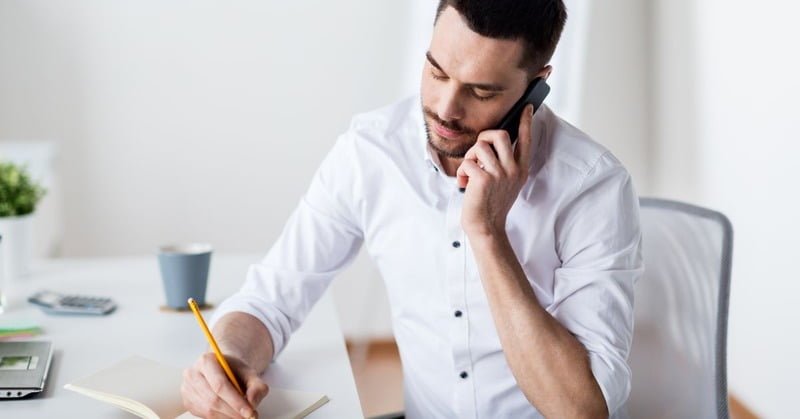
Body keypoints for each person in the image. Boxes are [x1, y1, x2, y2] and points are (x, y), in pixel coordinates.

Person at [180, 1, 642, 418]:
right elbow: (271, 299)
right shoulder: (370, 152)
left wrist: (487, 234)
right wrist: (229, 360)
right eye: (437, 72)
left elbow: (582, 410)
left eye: (481, 93)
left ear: (535, 89)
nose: (444, 109)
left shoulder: (592, 186)